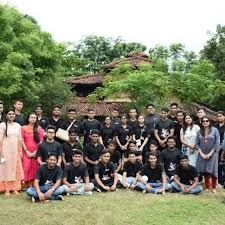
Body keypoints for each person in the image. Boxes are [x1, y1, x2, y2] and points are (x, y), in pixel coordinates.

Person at [0, 109, 23, 196]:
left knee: (15, 169)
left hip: (15, 150)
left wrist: (20, 151)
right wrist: (0, 153)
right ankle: (6, 189)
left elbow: (20, 139)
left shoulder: (18, 125)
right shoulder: (2, 125)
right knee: (6, 169)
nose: (11, 115)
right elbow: (0, 140)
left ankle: (15, 188)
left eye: (13, 114)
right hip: (5, 150)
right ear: (6, 116)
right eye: (9, 114)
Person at [196, 116, 220, 193]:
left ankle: (214, 187)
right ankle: (207, 186)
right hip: (202, 154)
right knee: (205, 170)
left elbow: (217, 143)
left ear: (209, 122)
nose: (205, 122)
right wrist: (201, 153)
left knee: (213, 170)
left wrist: (210, 153)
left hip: (213, 154)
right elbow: (197, 144)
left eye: (207, 121)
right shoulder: (199, 131)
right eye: (203, 121)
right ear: (201, 122)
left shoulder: (215, 130)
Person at [21, 113, 44, 189]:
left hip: (36, 152)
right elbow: (22, 140)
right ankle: (25, 184)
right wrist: (27, 151)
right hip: (26, 151)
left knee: (35, 168)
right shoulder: (23, 128)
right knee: (26, 167)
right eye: (31, 117)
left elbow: (41, 141)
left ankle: (33, 184)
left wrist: (35, 152)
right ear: (28, 118)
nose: (33, 119)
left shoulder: (39, 128)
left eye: (35, 117)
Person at [214, 111, 225, 186]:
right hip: (216, 148)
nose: (219, 117)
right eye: (218, 116)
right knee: (218, 165)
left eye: (220, 116)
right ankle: (220, 181)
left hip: (224, 148)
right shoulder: (215, 126)